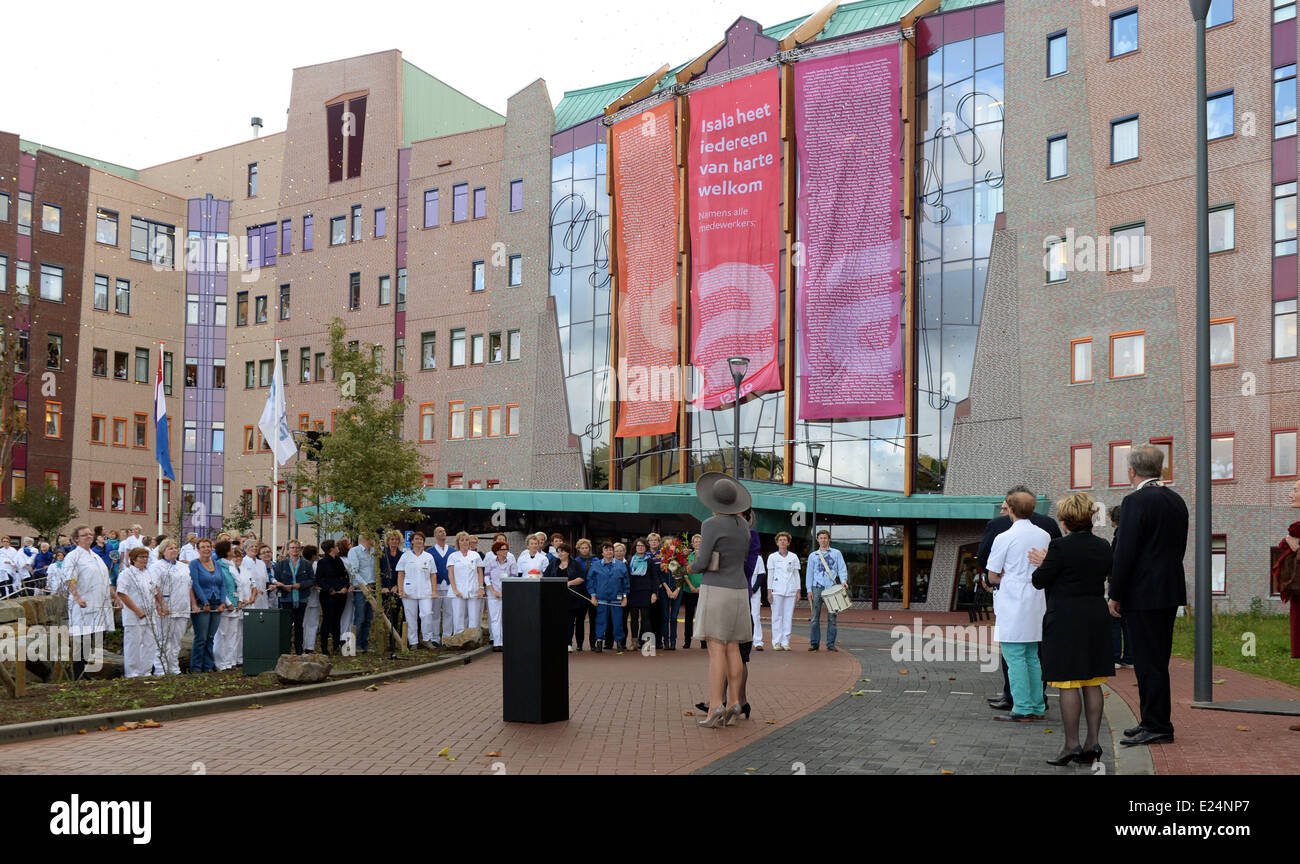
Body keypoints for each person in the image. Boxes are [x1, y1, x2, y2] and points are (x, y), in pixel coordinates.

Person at [1109, 445, 1189, 747]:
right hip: (1168, 590)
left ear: (1132, 471)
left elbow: (1125, 551)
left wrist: (1115, 593)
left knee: (1147, 662)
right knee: (1156, 660)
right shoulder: (1176, 500)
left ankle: (1156, 725)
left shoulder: (1135, 501)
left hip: (1143, 594)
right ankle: (1152, 720)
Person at [1029, 493, 1113, 765]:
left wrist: (1043, 562)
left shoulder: (1059, 547)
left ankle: (1071, 745)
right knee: (1091, 679)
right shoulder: (1103, 545)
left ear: (1064, 521)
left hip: (1065, 617)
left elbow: (1039, 581)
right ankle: (1093, 743)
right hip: (1096, 615)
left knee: (1068, 681)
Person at [977, 487, 1062, 711]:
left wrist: (993, 578)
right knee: (1033, 655)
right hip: (1037, 597)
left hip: (1012, 599)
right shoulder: (1045, 533)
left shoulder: (1003, 535)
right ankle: (1037, 703)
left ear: (1011, 509)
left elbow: (993, 573)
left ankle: (1021, 706)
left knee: (1014, 655)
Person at [689, 473, 753, 728]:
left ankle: (715, 704)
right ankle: (735, 701)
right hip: (739, 591)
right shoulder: (744, 527)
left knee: (716, 649)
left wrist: (685, 568)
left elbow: (703, 562)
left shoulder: (710, 525)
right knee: (733, 648)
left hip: (716, 590)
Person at [65, 526, 115, 679]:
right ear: (76, 539)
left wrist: (115, 596)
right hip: (83, 604)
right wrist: (77, 597)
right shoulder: (73, 556)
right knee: (81, 638)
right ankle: (78, 674)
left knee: (92, 638)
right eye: (84, 535)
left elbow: (105, 580)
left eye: (90, 534)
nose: (88, 537)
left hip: (98, 603)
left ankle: (85, 672)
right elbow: (69, 579)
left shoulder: (96, 556)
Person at [116, 547, 159, 678]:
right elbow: (122, 594)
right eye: (141, 557)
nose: (144, 560)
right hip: (133, 616)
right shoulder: (126, 574)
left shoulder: (148, 573)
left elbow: (154, 592)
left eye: (146, 557)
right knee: (133, 645)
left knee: (150, 644)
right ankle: (132, 673)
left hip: (150, 615)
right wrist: (137, 610)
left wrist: (159, 606)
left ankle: (145, 671)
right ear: (134, 559)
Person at [150, 540, 191, 675]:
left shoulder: (183, 567)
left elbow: (189, 586)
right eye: (170, 548)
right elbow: (154, 587)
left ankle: (174, 668)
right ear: (163, 551)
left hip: (182, 607)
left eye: (175, 548)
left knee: (176, 641)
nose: (174, 550)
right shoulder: (157, 566)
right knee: (164, 640)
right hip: (166, 607)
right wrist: (161, 605)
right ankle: (161, 669)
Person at [213, 539, 255, 670]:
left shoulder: (231, 566)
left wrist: (240, 600)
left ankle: (230, 661)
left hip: (237, 606)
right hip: (226, 606)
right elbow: (220, 586)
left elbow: (239, 586)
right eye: (231, 549)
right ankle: (220, 663)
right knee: (222, 635)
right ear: (225, 552)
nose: (233, 551)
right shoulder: (218, 565)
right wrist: (228, 603)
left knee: (233, 635)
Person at [806, 529, 848, 652]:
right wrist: (809, 590)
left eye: (825, 538)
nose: (823, 540)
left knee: (832, 618)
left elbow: (842, 568)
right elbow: (809, 574)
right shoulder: (813, 556)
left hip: (832, 589)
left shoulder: (836, 553)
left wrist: (844, 580)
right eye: (821, 538)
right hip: (817, 588)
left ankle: (830, 644)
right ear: (817, 540)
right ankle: (814, 643)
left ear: (829, 539)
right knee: (814, 618)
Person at [188, 537, 226, 673]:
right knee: (201, 637)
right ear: (198, 550)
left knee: (210, 637)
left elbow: (222, 584)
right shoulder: (194, 564)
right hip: (202, 604)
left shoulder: (217, 564)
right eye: (203, 547)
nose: (206, 549)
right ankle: (196, 667)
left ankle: (208, 666)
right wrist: (204, 602)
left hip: (217, 605)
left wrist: (222, 602)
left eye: (208, 546)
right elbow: (195, 584)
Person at [271, 539, 316, 654]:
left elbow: (311, 580)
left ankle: (299, 650)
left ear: (300, 550)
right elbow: (276, 579)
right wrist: (283, 586)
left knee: (299, 625)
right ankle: (285, 650)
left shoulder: (306, 564)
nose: (295, 550)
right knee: (286, 625)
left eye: (297, 548)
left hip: (301, 598)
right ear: (288, 550)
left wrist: (300, 585)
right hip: (286, 597)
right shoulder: (282, 564)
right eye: (292, 548)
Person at [397, 532, 437, 649]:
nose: (419, 541)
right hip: (409, 591)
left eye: (421, 539)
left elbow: (433, 574)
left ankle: (427, 639)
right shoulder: (406, 556)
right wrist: (401, 590)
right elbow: (400, 573)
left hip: (426, 591)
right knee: (410, 617)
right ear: (412, 541)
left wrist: (434, 590)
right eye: (417, 539)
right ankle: (413, 642)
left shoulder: (428, 557)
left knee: (427, 614)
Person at [587, 542, 628, 653]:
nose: (609, 552)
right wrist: (593, 596)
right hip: (601, 599)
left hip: (617, 599)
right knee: (600, 621)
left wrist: (625, 597)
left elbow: (625, 583)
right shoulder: (595, 566)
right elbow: (590, 582)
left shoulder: (621, 565)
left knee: (618, 621)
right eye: (606, 550)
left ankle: (619, 642)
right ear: (602, 553)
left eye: (611, 550)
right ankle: (599, 641)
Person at [548, 541, 588, 651]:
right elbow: (546, 576)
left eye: (562, 551)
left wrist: (569, 583)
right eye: (558, 552)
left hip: (572, 597)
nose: (560, 554)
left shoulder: (576, 564)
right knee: (556, 620)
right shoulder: (553, 564)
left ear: (568, 553)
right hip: (556, 597)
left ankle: (568, 643)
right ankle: (557, 642)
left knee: (569, 621)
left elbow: (582, 578)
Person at [1107, 505, 1134, 669]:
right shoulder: (1131, 535)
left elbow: (1115, 563)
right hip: (1132, 586)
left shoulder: (1118, 537)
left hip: (1117, 583)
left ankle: (1115, 657)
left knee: (1115, 620)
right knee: (1128, 622)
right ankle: (1130, 657)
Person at [314, 539, 349, 655]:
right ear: (331, 549)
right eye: (335, 546)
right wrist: (329, 589)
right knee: (327, 620)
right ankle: (324, 647)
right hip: (329, 596)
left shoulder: (338, 560)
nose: (337, 547)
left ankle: (336, 645)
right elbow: (319, 579)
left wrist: (345, 586)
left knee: (337, 620)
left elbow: (344, 575)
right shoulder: (322, 562)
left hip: (341, 594)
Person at [766, 532, 800, 651]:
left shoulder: (793, 557)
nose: (782, 542)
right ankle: (776, 642)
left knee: (788, 616)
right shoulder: (772, 557)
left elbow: (796, 574)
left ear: (788, 543)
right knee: (776, 616)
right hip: (777, 590)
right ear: (777, 542)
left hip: (790, 590)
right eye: (780, 540)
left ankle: (786, 642)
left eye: (785, 540)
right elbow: (770, 575)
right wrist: (769, 591)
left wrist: (798, 590)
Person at [448, 531, 485, 633]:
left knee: (474, 616)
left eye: (467, 540)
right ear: (458, 542)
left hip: (474, 589)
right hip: (457, 591)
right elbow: (451, 574)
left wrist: (481, 588)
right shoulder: (453, 556)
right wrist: (455, 590)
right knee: (458, 616)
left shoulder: (475, 555)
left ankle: (473, 639)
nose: (464, 542)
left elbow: (480, 573)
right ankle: (458, 639)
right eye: (462, 540)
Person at [485, 540, 519, 651]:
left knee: (505, 618)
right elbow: (486, 578)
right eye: (503, 549)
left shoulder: (511, 563)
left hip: (507, 593)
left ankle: (504, 642)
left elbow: (514, 578)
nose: (505, 552)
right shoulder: (490, 562)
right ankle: (496, 643)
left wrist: (505, 592)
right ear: (497, 551)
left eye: (506, 549)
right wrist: (493, 591)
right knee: (495, 619)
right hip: (493, 593)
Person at [627, 539, 658, 651]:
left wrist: (654, 593)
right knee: (634, 619)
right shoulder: (630, 560)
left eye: (642, 546)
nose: (640, 548)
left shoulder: (650, 561)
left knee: (646, 619)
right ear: (635, 547)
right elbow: (627, 578)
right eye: (638, 546)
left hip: (646, 592)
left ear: (646, 547)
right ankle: (634, 642)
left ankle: (648, 643)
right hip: (633, 593)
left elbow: (655, 578)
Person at [377, 531, 406, 652]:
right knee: (390, 615)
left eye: (396, 539)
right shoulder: (381, 555)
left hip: (398, 588)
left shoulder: (403, 555)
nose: (394, 542)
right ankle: (391, 642)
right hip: (385, 589)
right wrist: (382, 587)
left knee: (402, 615)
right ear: (388, 541)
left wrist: (398, 586)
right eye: (392, 539)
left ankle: (402, 640)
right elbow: (378, 572)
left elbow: (405, 573)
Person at [348, 534, 377, 652]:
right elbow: (353, 570)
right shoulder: (354, 551)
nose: (374, 540)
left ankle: (365, 643)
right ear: (367, 539)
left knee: (369, 617)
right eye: (373, 537)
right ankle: (356, 644)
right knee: (360, 617)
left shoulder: (375, 552)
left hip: (373, 587)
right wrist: (365, 585)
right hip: (361, 588)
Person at [427, 526, 455, 646]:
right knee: (435, 613)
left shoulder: (453, 551)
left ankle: (447, 637)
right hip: (436, 586)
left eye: (444, 531)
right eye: (439, 531)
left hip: (449, 586)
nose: (442, 533)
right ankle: (435, 638)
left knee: (449, 613)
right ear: (435, 535)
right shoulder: (429, 552)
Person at [743, 512, 765, 650]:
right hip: (742, 588)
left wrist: (754, 589)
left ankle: (758, 641)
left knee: (755, 615)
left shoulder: (759, 558)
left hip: (754, 591)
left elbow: (761, 575)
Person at [575, 539, 601, 649]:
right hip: (581, 592)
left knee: (594, 618)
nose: (584, 549)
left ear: (589, 548)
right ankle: (579, 644)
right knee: (580, 619)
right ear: (579, 549)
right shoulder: (576, 561)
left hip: (594, 592)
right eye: (582, 548)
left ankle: (593, 644)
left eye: (586, 547)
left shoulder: (596, 560)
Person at [656, 539, 681, 651]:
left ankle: (673, 641)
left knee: (674, 617)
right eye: (668, 544)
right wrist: (667, 589)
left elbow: (683, 575)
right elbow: (661, 576)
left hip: (678, 591)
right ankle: (665, 641)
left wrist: (677, 590)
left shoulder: (681, 558)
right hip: (665, 591)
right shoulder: (662, 559)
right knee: (665, 617)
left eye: (672, 544)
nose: (670, 546)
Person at [683, 534, 703, 649]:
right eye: (696, 541)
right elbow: (684, 572)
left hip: (703, 590)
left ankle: (703, 641)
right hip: (689, 590)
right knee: (689, 616)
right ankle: (687, 640)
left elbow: (709, 572)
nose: (698, 543)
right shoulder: (687, 557)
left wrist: (701, 587)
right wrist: (690, 586)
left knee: (702, 616)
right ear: (692, 544)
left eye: (700, 541)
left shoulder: (706, 557)